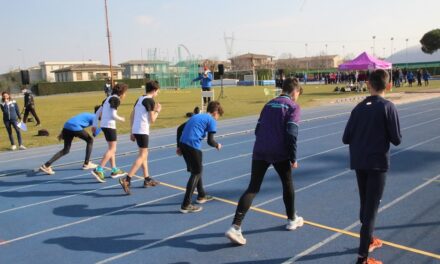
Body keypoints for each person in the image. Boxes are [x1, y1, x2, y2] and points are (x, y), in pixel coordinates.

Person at [224, 78, 304, 246]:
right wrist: (293, 157)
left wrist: (265, 143)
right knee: (287, 183)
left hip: (259, 149)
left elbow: (257, 130)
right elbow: (291, 134)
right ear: (295, 92)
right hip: (279, 152)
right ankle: (291, 219)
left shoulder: (268, 104)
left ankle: (235, 227)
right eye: (298, 94)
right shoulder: (293, 107)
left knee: (253, 187)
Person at [342, 69, 402, 264]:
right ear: (389, 85)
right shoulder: (388, 107)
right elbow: (397, 139)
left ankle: (368, 239)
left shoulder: (358, 108)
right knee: (371, 210)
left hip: (359, 163)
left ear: (369, 85)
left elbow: (345, 138)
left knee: (365, 204)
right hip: (377, 164)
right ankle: (363, 258)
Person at [177, 101, 223, 213]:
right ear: (215, 112)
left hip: (184, 144)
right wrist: (217, 145)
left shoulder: (197, 115)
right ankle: (186, 204)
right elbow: (210, 141)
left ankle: (201, 196)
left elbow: (179, 129)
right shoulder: (211, 120)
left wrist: (179, 146)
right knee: (196, 173)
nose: (217, 119)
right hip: (192, 146)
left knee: (197, 170)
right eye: (218, 116)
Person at [119, 81, 162, 194]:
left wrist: (132, 131)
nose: (158, 92)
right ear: (154, 90)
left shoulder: (140, 99)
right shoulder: (150, 101)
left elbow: (132, 115)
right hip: (142, 130)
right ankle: (127, 179)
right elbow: (152, 120)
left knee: (143, 155)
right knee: (143, 155)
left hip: (137, 129)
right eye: (158, 90)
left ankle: (146, 179)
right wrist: (157, 110)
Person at [39, 109, 99, 175]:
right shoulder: (94, 117)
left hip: (66, 126)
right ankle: (87, 163)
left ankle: (46, 165)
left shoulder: (88, 114)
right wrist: (103, 128)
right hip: (74, 127)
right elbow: (95, 134)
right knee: (90, 140)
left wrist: (63, 132)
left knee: (66, 150)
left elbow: (72, 121)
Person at [91, 83, 128, 182]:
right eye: (125, 93)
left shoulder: (107, 98)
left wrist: (94, 125)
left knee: (111, 149)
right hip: (109, 126)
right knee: (112, 149)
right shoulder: (116, 99)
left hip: (104, 125)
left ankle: (114, 169)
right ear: (121, 93)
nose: (125, 95)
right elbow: (113, 115)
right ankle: (99, 169)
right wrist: (122, 119)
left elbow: (98, 112)